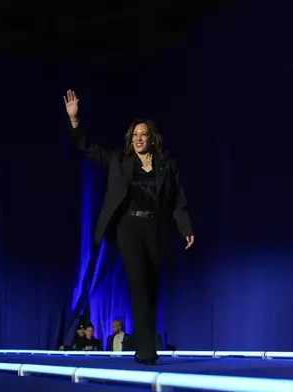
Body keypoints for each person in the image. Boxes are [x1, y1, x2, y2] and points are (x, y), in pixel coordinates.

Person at [63, 90, 195, 365]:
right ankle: (146, 351)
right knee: (138, 285)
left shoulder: (166, 164)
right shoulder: (119, 161)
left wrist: (186, 228)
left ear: (152, 138)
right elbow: (89, 149)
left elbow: (177, 198)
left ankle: (143, 343)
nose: (138, 139)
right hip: (128, 228)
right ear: (130, 139)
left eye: (143, 135)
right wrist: (75, 121)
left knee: (152, 287)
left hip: (156, 229)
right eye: (135, 135)